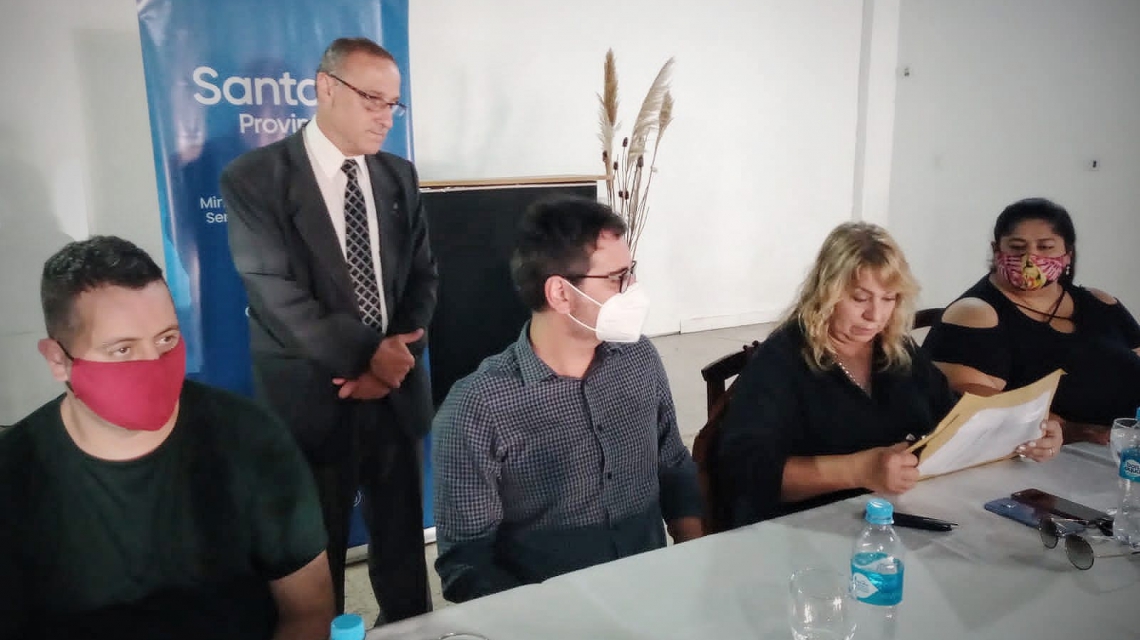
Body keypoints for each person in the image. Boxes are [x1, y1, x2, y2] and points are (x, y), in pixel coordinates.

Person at [0, 236, 332, 640]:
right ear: (58, 360)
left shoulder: (251, 440)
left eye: (166, 339)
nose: (153, 364)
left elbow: (309, 610)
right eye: (122, 350)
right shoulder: (15, 475)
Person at [220, 37, 437, 622]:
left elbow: (422, 278)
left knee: (403, 551)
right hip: (313, 397)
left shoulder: (398, 175)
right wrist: (370, 358)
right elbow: (276, 295)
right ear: (325, 88)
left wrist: (391, 364)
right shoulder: (254, 178)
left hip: (395, 393)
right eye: (371, 99)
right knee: (318, 559)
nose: (385, 117)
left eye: (393, 104)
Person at [432, 197, 703, 603]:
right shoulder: (478, 407)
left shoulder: (639, 358)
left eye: (632, 272)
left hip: (652, 593)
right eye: (617, 278)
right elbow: (466, 566)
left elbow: (673, 464)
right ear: (560, 293)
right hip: (547, 613)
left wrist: (694, 559)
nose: (633, 290)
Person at [715, 222, 1062, 528]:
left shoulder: (896, 349)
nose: (875, 315)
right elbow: (742, 472)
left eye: (889, 298)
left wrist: (1024, 432)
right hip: (799, 532)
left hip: (890, 520)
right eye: (859, 298)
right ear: (825, 293)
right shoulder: (783, 359)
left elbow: (949, 421)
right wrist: (857, 470)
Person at [924, 198, 1140, 443]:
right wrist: (1078, 432)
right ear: (997, 251)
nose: (1030, 257)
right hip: (1053, 451)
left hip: (1125, 443)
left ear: (1067, 255)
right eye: (1017, 247)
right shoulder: (975, 314)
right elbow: (977, 406)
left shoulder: (1100, 302)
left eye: (1045, 247)